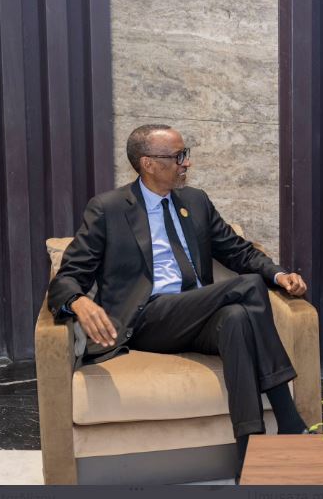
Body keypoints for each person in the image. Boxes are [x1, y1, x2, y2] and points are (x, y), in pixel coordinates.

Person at [47, 124, 308, 480]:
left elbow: (238, 251)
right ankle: (290, 420)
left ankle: (250, 458)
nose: (187, 163)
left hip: (198, 316)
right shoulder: (108, 209)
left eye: (185, 154)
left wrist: (278, 275)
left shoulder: (195, 201)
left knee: (236, 319)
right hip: (147, 320)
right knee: (247, 287)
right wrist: (78, 301)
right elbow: (68, 276)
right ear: (148, 163)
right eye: (178, 156)